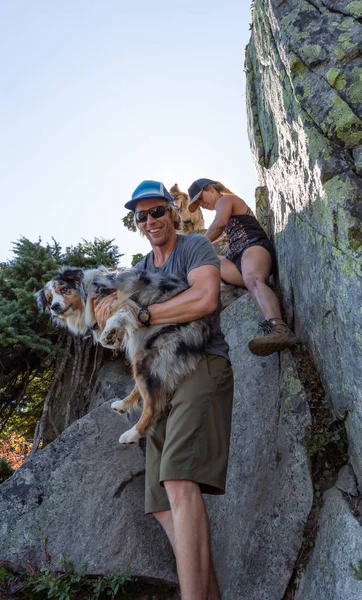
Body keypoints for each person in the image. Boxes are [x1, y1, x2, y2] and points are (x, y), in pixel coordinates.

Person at [95, 180, 233, 600]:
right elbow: (122, 323)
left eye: (157, 211)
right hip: (159, 383)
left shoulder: (194, 248)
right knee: (158, 499)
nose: (151, 220)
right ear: (135, 223)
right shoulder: (140, 267)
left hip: (201, 364)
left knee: (177, 478)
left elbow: (206, 298)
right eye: (142, 215)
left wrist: (142, 312)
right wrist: (107, 316)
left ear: (173, 211)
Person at [187, 178, 296, 356]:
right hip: (237, 258)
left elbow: (219, 224)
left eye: (201, 198)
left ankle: (279, 330)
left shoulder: (225, 200)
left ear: (210, 189)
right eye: (198, 203)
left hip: (254, 246)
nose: (202, 204)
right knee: (211, 260)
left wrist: (197, 246)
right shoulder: (221, 205)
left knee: (253, 279)